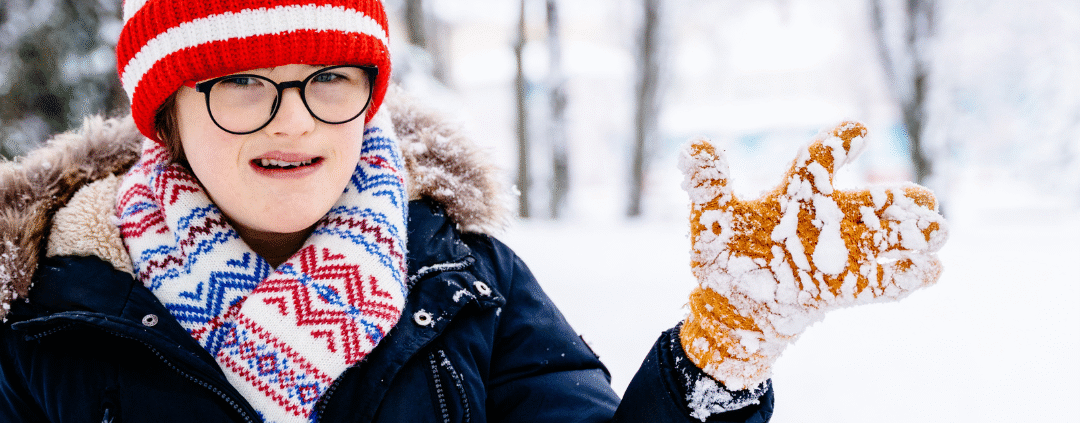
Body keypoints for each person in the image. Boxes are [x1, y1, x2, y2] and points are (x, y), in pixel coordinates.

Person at [0, 0, 946, 422]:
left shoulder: (463, 282)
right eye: (241, 81)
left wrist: (722, 352)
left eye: (329, 77)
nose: (293, 118)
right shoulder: (50, 321)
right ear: (166, 114)